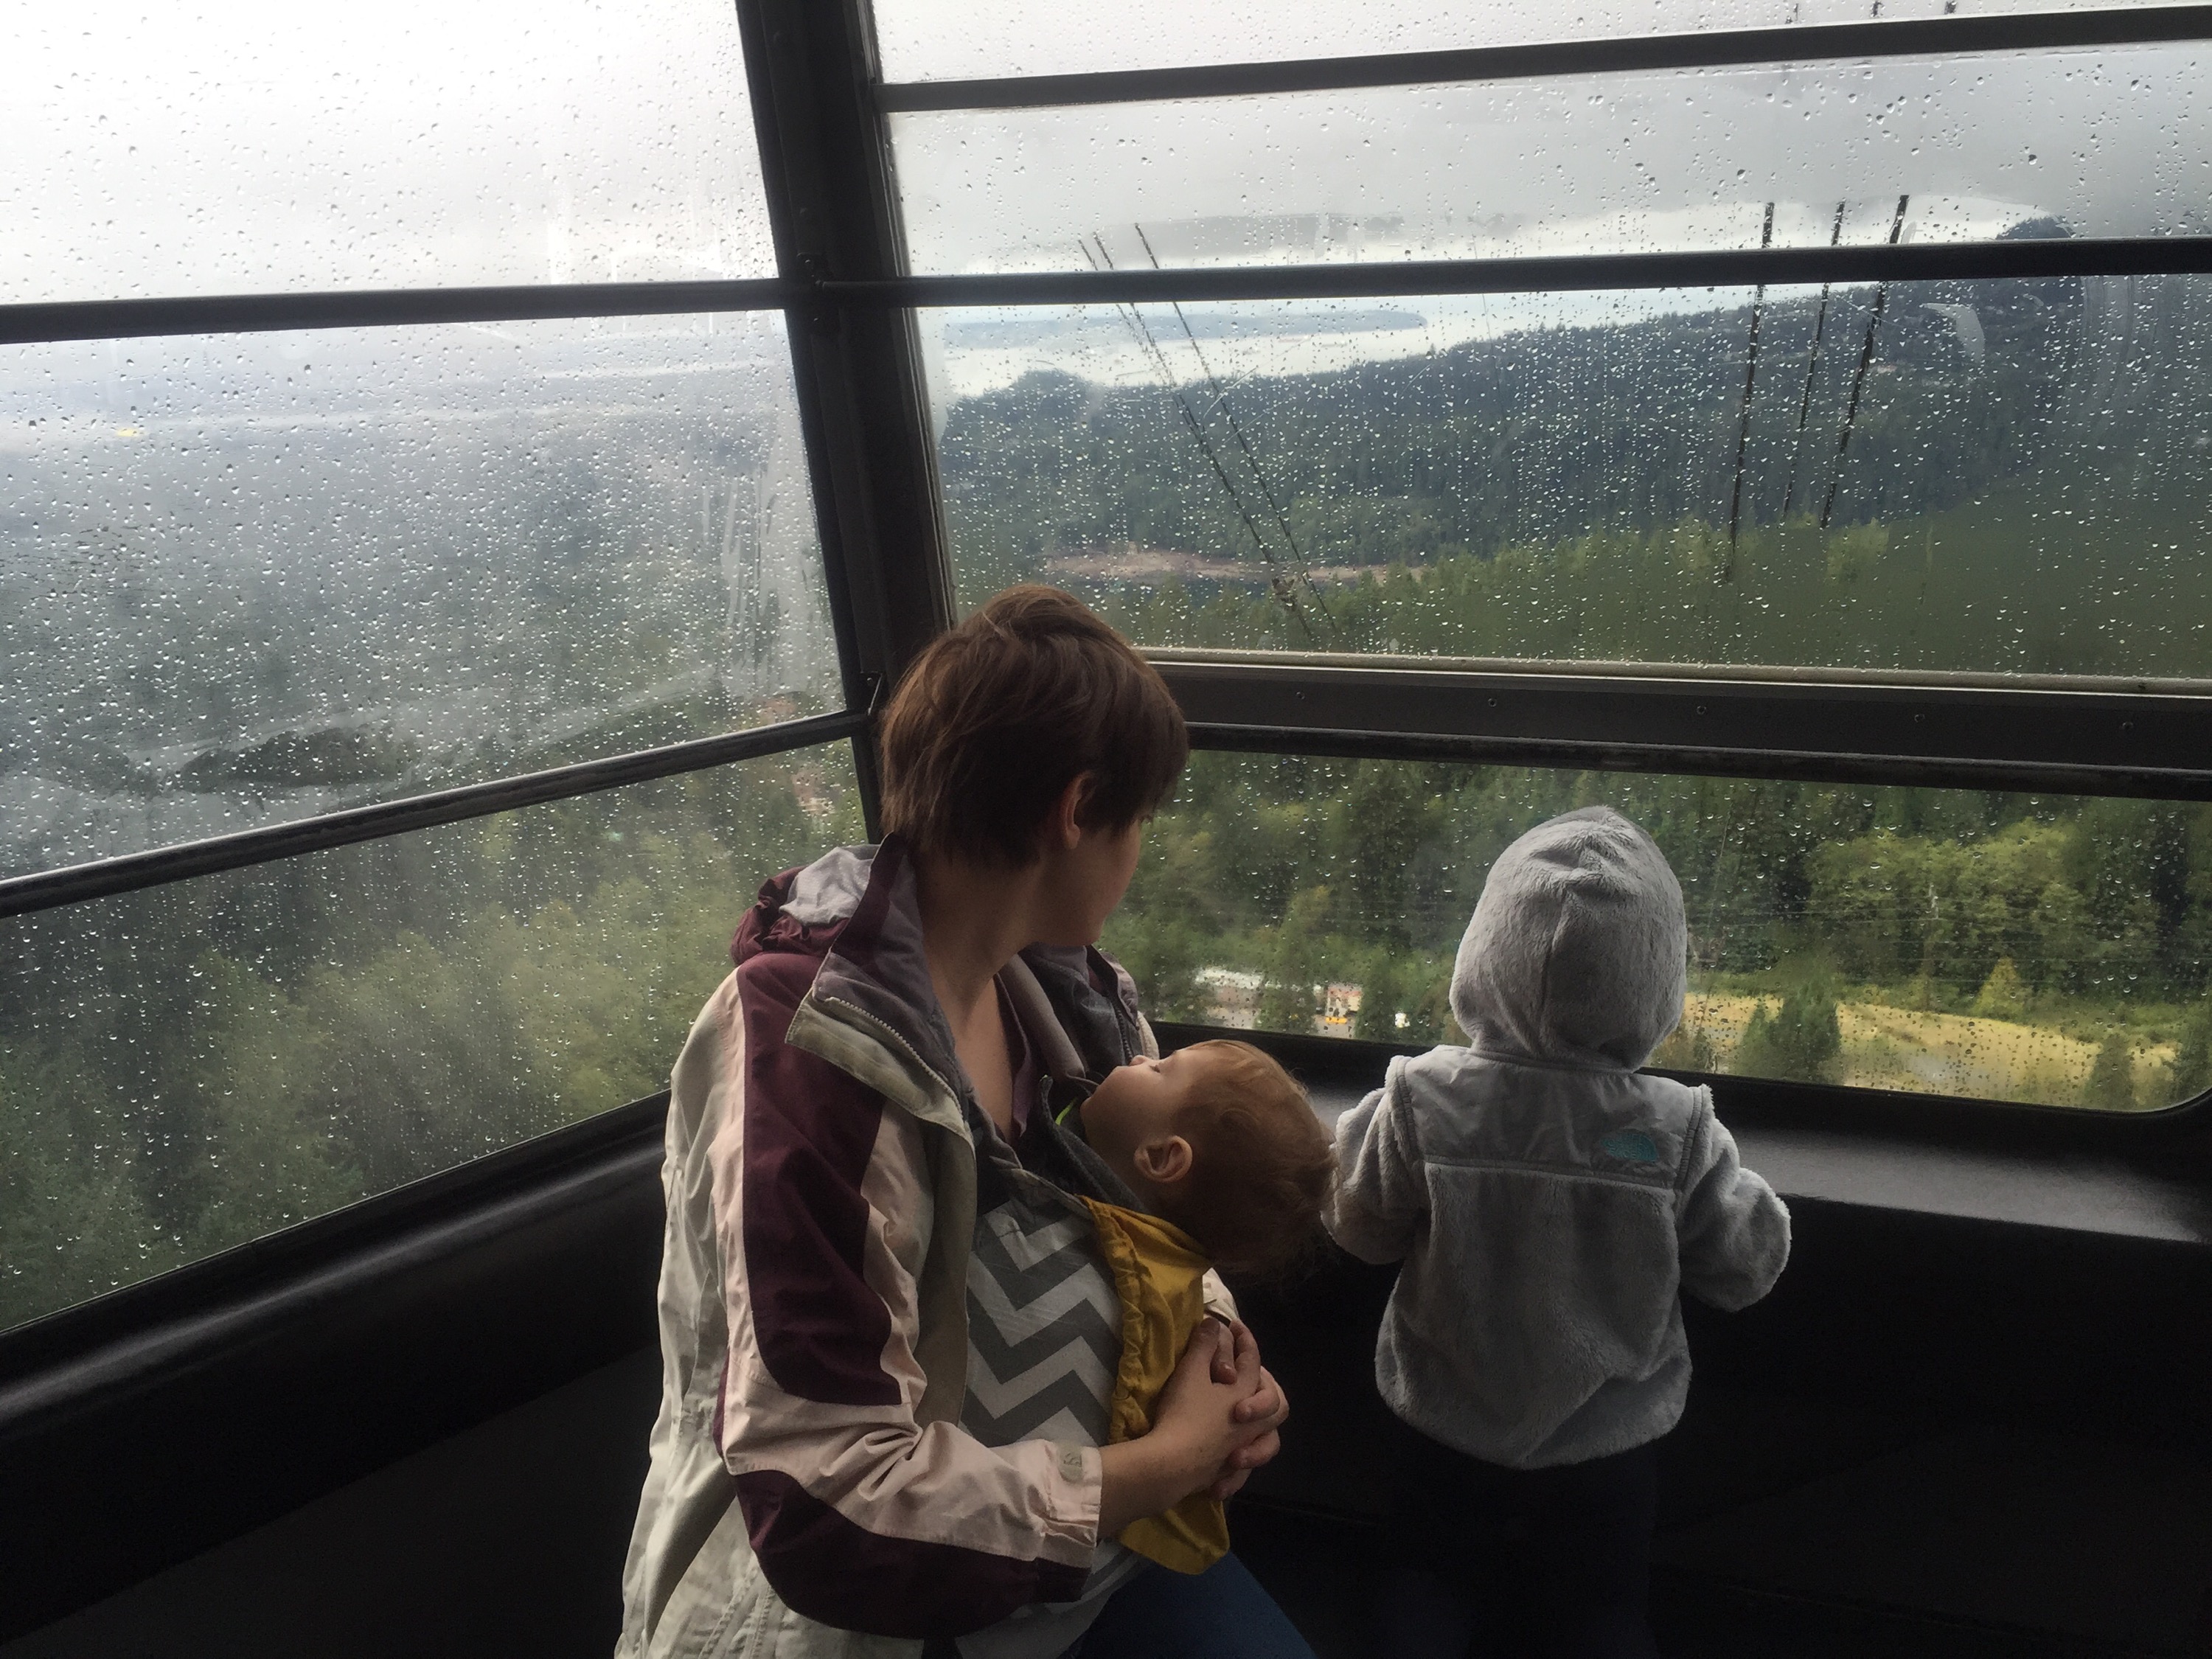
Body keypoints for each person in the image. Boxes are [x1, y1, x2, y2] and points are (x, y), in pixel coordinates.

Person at [616, 585, 1312, 1659]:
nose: (1138, 852)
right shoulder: (815, 1059)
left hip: (1081, 1562)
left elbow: (1145, 1214)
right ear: (1076, 809)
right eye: (1137, 820)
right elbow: (826, 1508)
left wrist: (1215, 1354)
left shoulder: (1068, 999)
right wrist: (1166, 1465)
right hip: (869, 1620)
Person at [1326, 806, 1792, 1658]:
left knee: (1425, 1589)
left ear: (1484, 952)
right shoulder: (1676, 1128)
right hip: (1607, 1447)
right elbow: (1746, 1266)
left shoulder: (1423, 1098)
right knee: (1600, 1618)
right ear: (1655, 981)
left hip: (1444, 1421)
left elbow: (1358, 1223)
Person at [1063, 1040, 1335, 1575]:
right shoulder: (1163, 1282)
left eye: (1160, 1068)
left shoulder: (1086, 1256)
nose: (1139, 1058)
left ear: (1162, 1158)